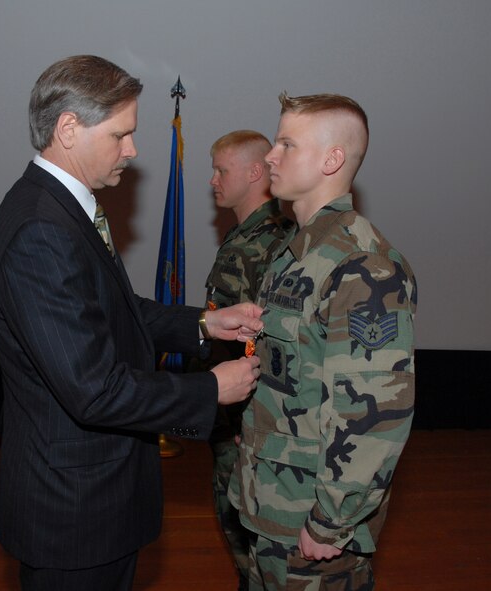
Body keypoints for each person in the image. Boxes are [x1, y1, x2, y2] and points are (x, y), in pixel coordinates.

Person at [0, 55, 263, 591]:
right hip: (74, 511)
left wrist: (205, 323)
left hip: (92, 493)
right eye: (120, 135)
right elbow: (93, 390)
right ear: (68, 129)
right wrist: (209, 390)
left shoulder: (59, 209)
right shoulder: (41, 230)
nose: (132, 150)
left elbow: (114, 311)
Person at [229, 93, 417, 591]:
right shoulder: (295, 254)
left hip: (310, 522)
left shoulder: (363, 267)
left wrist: (333, 520)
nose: (271, 155)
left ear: (332, 159)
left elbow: (374, 411)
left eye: (287, 144)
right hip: (270, 500)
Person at [203, 130, 294, 590]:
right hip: (233, 408)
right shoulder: (253, 235)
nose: (213, 180)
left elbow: (267, 342)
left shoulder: (266, 243)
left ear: (256, 172)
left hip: (244, 415)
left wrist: (247, 424)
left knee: (249, 532)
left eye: (222, 170)